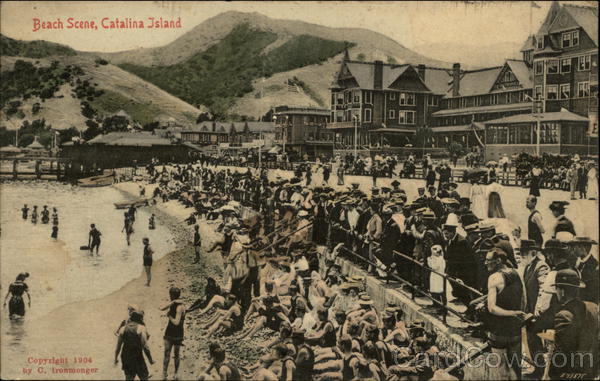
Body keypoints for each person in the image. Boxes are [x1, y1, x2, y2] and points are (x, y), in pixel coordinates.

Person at [548, 269, 599, 380]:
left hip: (571, 373)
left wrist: (552, 374)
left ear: (561, 291)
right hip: (592, 369)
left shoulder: (563, 315)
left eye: (556, 289)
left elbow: (561, 352)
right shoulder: (593, 307)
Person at [485, 248, 526, 380]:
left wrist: (511, 313)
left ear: (497, 261)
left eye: (488, 260)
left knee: (500, 367)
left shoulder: (494, 278)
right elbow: (524, 300)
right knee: (516, 366)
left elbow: (492, 308)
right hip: (515, 329)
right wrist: (517, 314)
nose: (485, 263)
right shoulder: (517, 273)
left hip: (499, 329)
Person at [114, 309, 155, 380]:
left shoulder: (123, 329)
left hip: (126, 357)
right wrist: (150, 360)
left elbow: (118, 348)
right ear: (140, 319)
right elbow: (146, 347)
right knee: (144, 377)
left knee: (129, 378)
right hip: (137, 357)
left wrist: (115, 358)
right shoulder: (141, 328)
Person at [160, 287, 186, 380]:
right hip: (172, 331)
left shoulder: (180, 307)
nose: (169, 296)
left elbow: (176, 322)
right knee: (169, 353)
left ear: (173, 295)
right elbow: (162, 308)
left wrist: (169, 316)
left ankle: (175, 373)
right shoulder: (175, 304)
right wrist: (172, 303)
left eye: (170, 295)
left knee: (174, 353)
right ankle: (164, 373)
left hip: (176, 332)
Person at [570, 237, 599, 304]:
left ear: (582, 248)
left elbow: (593, 292)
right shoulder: (576, 263)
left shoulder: (595, 266)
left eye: (575, 247)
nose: (573, 250)